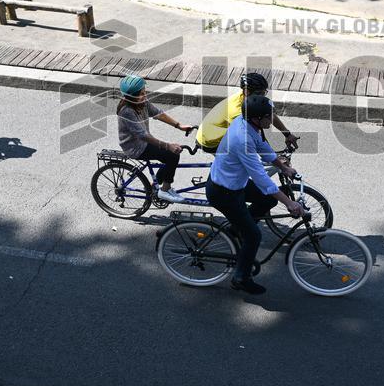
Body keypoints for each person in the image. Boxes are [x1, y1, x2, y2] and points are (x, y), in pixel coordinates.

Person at [206, 95, 304, 295]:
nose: (272, 119)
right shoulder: (240, 139)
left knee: (267, 200)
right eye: (269, 116)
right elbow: (260, 177)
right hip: (224, 192)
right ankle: (240, 277)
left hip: (234, 183)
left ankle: (236, 229)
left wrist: (282, 166)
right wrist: (289, 203)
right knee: (254, 235)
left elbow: (262, 147)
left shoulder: (246, 123)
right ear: (257, 119)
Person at [117, 75, 195, 203]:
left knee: (167, 155)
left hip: (144, 141)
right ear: (131, 97)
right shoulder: (126, 111)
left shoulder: (141, 102)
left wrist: (179, 125)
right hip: (135, 147)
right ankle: (165, 190)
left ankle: (156, 186)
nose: (145, 95)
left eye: (144, 92)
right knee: (172, 155)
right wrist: (168, 146)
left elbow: (158, 113)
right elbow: (143, 135)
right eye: (141, 93)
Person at [196, 72, 300, 154]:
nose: (262, 97)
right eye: (259, 93)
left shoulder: (249, 99)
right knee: (242, 167)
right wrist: (273, 157)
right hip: (210, 141)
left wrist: (287, 134)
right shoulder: (237, 111)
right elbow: (255, 135)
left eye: (264, 93)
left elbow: (268, 113)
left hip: (216, 129)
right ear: (246, 91)